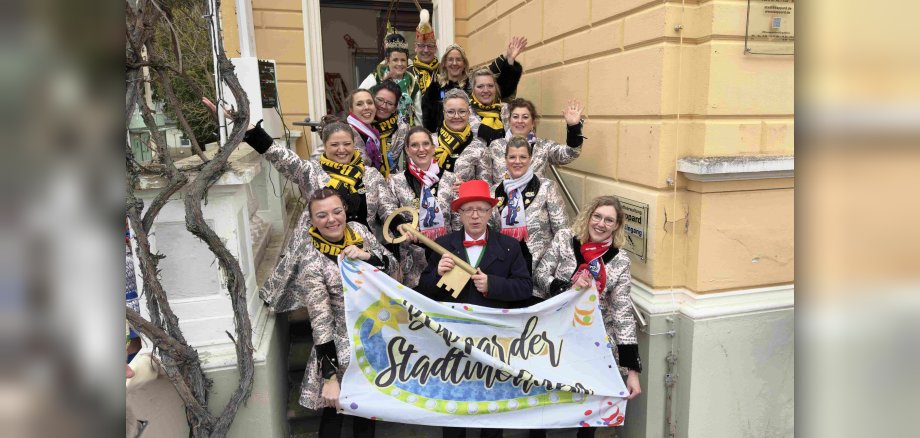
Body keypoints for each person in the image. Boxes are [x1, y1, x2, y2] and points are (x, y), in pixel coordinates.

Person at [261, 188, 397, 438]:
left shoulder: (359, 232)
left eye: (336, 211)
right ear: (311, 221)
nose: (332, 219)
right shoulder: (311, 258)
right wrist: (330, 377)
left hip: (373, 336)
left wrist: (367, 256)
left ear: (345, 211)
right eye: (322, 215)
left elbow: (392, 266)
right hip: (340, 343)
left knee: (367, 414)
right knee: (334, 415)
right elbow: (320, 320)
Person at [416, 180, 532, 438]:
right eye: (469, 209)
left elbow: (525, 288)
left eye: (481, 209)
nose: (475, 215)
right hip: (452, 339)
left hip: (493, 339)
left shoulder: (510, 246)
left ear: (491, 212)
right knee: (455, 405)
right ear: (459, 213)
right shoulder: (444, 245)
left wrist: (493, 285)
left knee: (491, 407)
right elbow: (423, 292)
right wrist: (437, 272)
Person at [533, 196, 643, 438]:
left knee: (590, 408)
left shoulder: (620, 260)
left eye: (609, 220)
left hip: (593, 343)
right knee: (544, 402)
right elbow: (540, 275)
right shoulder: (564, 239)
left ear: (617, 226)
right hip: (555, 335)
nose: (601, 224)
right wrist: (567, 285)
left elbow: (622, 313)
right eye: (598, 216)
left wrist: (631, 371)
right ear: (589, 216)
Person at [232, 108, 399, 240]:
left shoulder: (370, 175)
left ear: (353, 145)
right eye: (334, 144)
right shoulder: (311, 172)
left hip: (363, 250)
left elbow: (387, 209)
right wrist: (249, 129)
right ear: (324, 146)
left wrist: (400, 224)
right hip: (322, 253)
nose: (341, 150)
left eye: (347, 144)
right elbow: (279, 154)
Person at [386, 126, 456, 288]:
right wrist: (404, 226)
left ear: (433, 147)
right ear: (407, 150)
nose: (421, 149)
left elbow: (457, 222)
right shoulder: (395, 182)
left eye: (426, 144)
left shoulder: (451, 180)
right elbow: (389, 213)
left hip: (448, 259)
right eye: (415, 145)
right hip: (412, 263)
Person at [490, 136, 568, 274]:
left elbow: (562, 233)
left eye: (523, 157)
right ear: (505, 160)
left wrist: (550, 269)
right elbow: (490, 232)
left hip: (538, 268)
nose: (517, 162)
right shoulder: (494, 191)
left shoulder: (547, 187)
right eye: (512, 157)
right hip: (504, 268)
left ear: (530, 159)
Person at [421, 37, 527, 133]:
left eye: (458, 59)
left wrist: (510, 59)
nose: (454, 63)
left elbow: (502, 89)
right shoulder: (435, 89)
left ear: (464, 63)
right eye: (450, 59)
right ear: (444, 63)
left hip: (475, 139)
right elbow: (428, 121)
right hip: (445, 142)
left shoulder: (474, 84)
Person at [487, 98, 585, 186]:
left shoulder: (543, 146)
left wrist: (573, 127)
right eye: (515, 116)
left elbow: (570, 153)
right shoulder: (495, 146)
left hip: (534, 204)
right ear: (509, 120)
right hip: (503, 203)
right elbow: (486, 180)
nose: (520, 121)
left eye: (525, 117)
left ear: (533, 123)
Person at [359, 30, 421, 125]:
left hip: (405, 133)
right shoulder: (375, 78)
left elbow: (418, 115)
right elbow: (359, 100)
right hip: (378, 131)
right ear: (387, 61)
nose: (400, 64)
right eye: (395, 60)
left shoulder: (413, 83)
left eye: (403, 60)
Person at [432, 89, 492, 185]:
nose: (456, 116)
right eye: (451, 112)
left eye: (462, 111)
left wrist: (467, 188)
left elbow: (486, 188)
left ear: (469, 113)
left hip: (465, 199)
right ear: (443, 113)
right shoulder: (429, 142)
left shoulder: (480, 148)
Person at [368, 80, 410, 177]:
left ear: (395, 108)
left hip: (390, 179)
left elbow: (411, 158)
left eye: (390, 103)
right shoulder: (363, 123)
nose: (383, 106)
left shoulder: (402, 128)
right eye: (379, 100)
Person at [468, 68, 509, 145]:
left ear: (495, 88)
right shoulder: (464, 113)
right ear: (473, 89)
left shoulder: (507, 109)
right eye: (480, 86)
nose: (486, 90)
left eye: (490, 86)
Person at [410, 9, 438, 95]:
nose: (426, 50)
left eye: (429, 46)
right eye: (421, 45)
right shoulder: (407, 72)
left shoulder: (444, 71)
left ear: (435, 48)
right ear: (415, 47)